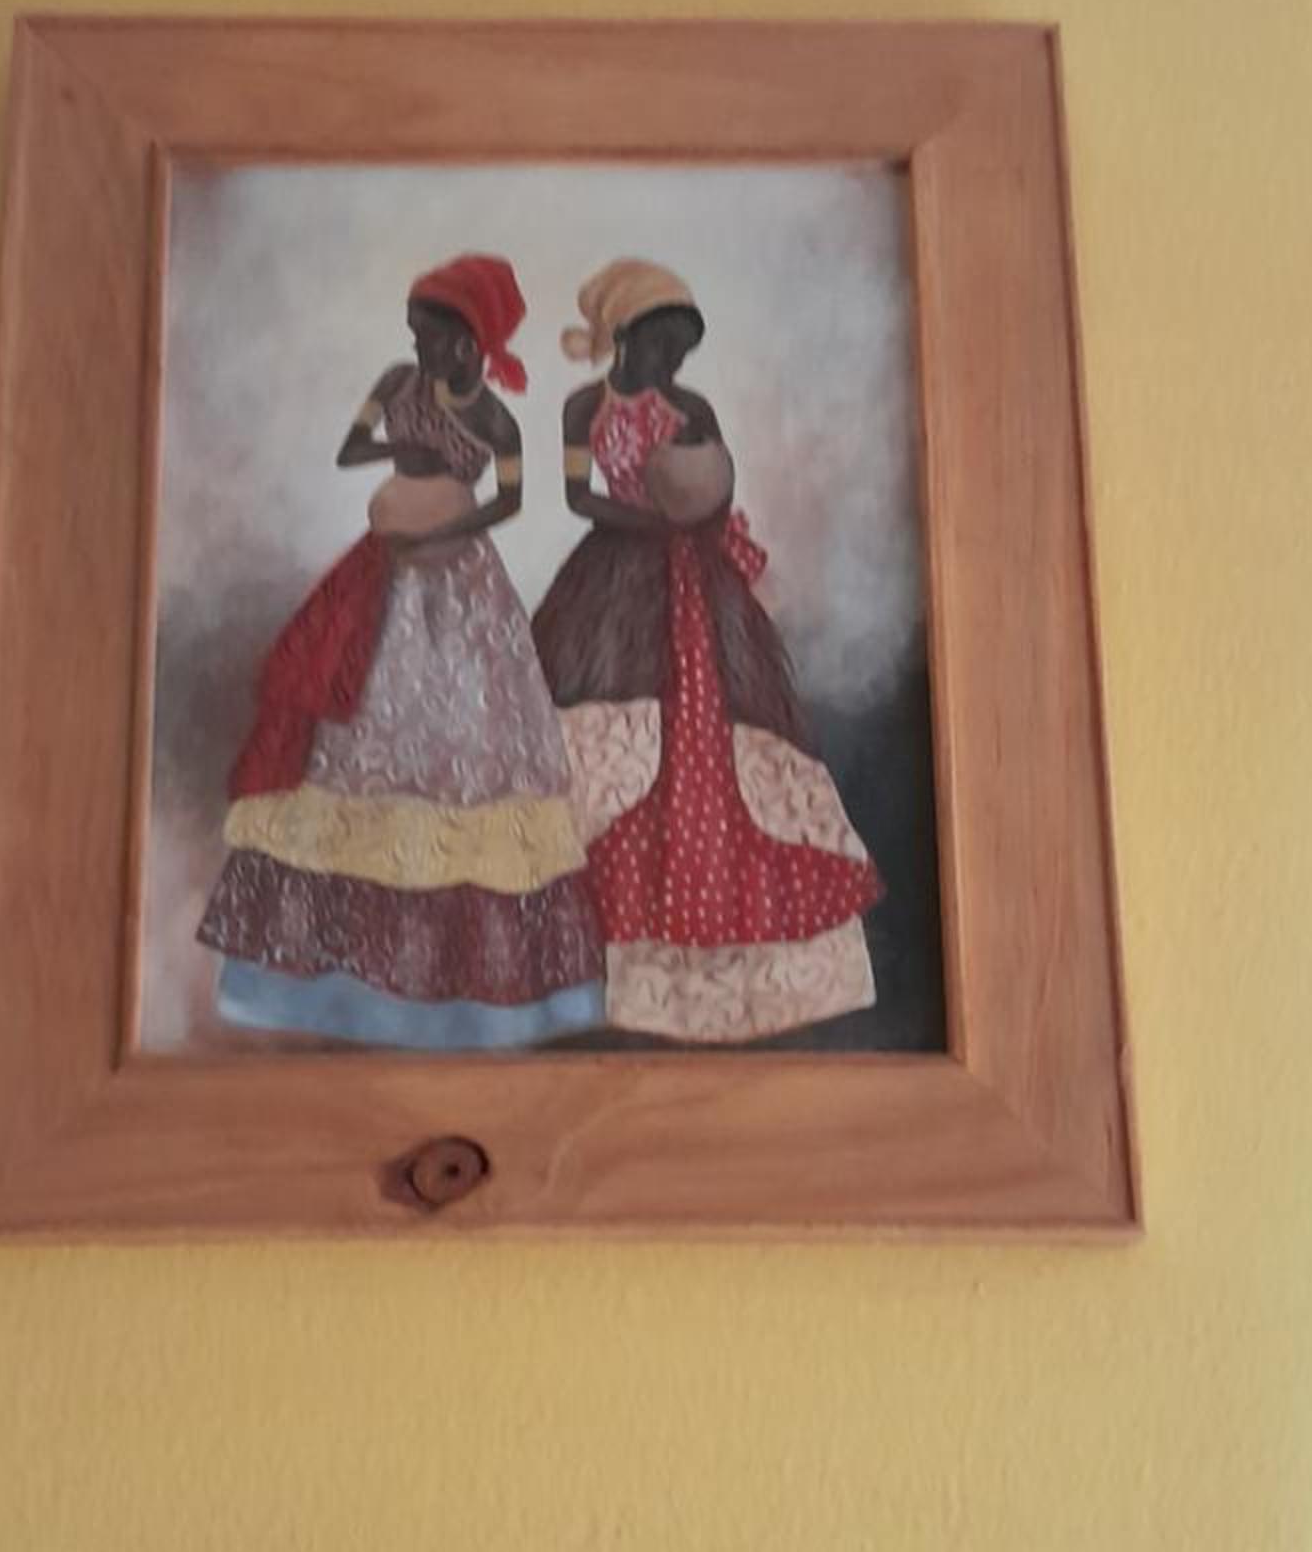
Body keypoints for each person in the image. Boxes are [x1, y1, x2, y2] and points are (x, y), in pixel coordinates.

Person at [197, 253, 606, 1047]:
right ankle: (335, 980)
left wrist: (445, 523)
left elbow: (512, 497)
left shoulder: (495, 419)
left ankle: (462, 990)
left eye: (433, 339)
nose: (419, 350)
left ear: (472, 343)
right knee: (356, 725)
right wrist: (402, 456)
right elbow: (350, 451)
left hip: (459, 584)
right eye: (415, 336)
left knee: (463, 739)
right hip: (384, 571)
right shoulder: (396, 384)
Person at [531, 257, 881, 1042]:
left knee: (724, 721)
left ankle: (724, 965)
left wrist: (697, 504)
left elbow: (717, 489)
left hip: (696, 574)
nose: (673, 362)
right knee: (590, 717)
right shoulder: (585, 405)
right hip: (612, 580)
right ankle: (586, 965)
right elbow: (579, 495)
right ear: (626, 335)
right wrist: (656, 521)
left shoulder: (693, 407)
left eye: (681, 350)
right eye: (661, 345)